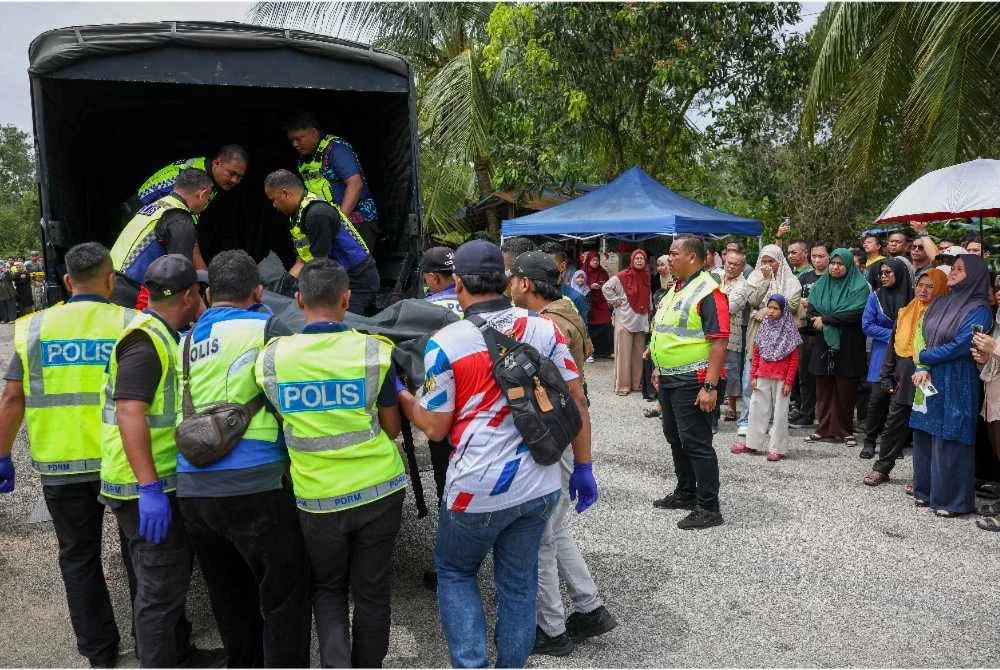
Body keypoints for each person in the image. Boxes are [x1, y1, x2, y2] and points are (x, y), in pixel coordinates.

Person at [397, 240, 597, 668]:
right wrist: (583, 466)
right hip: (539, 484)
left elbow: (434, 426)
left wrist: (402, 397)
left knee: (455, 572)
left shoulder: (445, 343)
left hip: (476, 488)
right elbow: (577, 401)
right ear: (505, 280)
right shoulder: (544, 329)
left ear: (457, 284)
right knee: (519, 583)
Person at [255, 258, 406, 667]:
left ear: (298, 300)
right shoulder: (375, 352)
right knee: (373, 593)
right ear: (346, 298)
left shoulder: (271, 360)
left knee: (328, 589)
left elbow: (282, 417)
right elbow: (391, 428)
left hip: (317, 499)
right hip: (380, 490)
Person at [173, 250, 310, 667]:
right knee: (283, 595)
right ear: (259, 291)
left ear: (209, 293)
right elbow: (289, 397)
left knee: (228, 597)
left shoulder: (185, 339)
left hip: (194, 489)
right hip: (257, 485)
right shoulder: (270, 327)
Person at [0, 243, 134, 667]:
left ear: (67, 282)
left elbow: (11, 397)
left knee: (78, 558)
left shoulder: (34, 328)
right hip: (122, 460)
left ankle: (99, 652)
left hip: (61, 465)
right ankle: (157, 641)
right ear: (111, 279)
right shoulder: (132, 324)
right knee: (141, 553)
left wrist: (2, 455)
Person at [99, 254, 222, 667]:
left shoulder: (161, 332)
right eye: (198, 291)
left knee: (162, 581)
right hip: (142, 485)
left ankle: (178, 652)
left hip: (148, 478)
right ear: (190, 294)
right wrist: (149, 487)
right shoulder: (146, 341)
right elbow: (130, 409)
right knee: (159, 589)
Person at [507, 251, 615, 656]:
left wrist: (584, 463)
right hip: (568, 430)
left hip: (555, 434)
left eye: (512, 278)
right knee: (555, 528)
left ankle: (551, 629)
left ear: (526, 284)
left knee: (540, 537)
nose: (508, 285)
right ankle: (589, 608)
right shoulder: (566, 309)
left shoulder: (545, 325)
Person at [649, 235, 729, 529]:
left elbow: (719, 342)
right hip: (670, 378)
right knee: (675, 437)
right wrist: (658, 366)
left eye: (673, 254)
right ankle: (686, 492)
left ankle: (709, 508)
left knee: (696, 443)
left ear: (692, 257)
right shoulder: (677, 289)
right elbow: (667, 333)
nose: (669, 259)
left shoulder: (709, 291)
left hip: (693, 380)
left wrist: (710, 386)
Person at [910, 254, 993, 516]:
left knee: (952, 434)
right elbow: (922, 333)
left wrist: (926, 357)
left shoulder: (980, 309)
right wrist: (922, 366)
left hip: (957, 378)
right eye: (953, 268)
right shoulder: (941, 300)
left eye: (960, 269)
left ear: (976, 275)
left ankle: (952, 501)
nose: (953, 272)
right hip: (929, 377)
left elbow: (963, 344)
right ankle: (926, 491)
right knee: (925, 432)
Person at [863, 269, 949, 486]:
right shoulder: (905, 312)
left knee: (926, 426)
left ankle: (922, 477)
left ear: (940, 289)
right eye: (921, 285)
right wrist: (886, 375)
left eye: (930, 286)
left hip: (930, 376)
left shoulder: (943, 317)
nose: (923, 290)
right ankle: (882, 468)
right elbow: (892, 347)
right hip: (904, 376)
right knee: (894, 423)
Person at [263, 169, 380, 315]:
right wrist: (282, 289)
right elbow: (303, 260)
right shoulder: (300, 213)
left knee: (341, 323)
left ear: (285, 193)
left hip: (358, 282)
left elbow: (319, 267)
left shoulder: (317, 214)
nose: (274, 205)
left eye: (273, 199)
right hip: (341, 277)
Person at [110, 168, 215, 310]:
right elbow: (180, 276)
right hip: (133, 294)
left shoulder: (156, 207)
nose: (206, 204)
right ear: (202, 194)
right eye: (208, 199)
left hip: (108, 284)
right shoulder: (180, 219)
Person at [129, 146, 248, 269]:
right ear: (217, 163)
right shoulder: (199, 179)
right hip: (138, 209)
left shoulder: (211, 177)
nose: (235, 180)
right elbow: (188, 234)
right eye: (232, 173)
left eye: (240, 177)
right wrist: (203, 275)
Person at [803, 248, 870, 446]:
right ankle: (823, 428)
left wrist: (826, 319)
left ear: (849, 265)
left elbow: (856, 314)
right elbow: (811, 311)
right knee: (823, 387)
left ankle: (845, 430)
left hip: (849, 343)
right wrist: (822, 319)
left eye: (840, 264)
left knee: (845, 388)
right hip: (823, 342)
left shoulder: (859, 287)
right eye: (833, 263)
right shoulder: (821, 284)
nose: (835, 267)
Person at [285, 112, 379, 251]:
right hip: (328, 225)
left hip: (356, 223)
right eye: (292, 140)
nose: (295, 144)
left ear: (314, 132)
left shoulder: (336, 149)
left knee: (354, 270)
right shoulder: (303, 161)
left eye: (299, 138)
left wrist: (339, 223)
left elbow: (355, 183)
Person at [737, 245, 802, 437]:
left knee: (778, 382)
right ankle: (747, 420)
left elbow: (792, 304)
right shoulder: (755, 278)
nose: (766, 265)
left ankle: (774, 423)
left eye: (770, 261)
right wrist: (766, 281)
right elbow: (754, 300)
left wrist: (770, 308)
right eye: (763, 261)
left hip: (783, 337)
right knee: (751, 377)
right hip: (758, 334)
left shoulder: (791, 281)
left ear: (779, 262)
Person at [733, 294, 801, 461]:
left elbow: (794, 358)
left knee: (780, 413)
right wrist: (754, 374)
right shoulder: (764, 326)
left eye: (776, 308)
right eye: (769, 307)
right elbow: (757, 352)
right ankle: (752, 443)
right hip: (763, 374)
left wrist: (789, 381)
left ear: (783, 310)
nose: (771, 311)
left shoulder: (790, 329)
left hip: (782, 378)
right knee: (757, 409)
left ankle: (777, 448)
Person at [859, 257, 913, 459]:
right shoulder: (876, 297)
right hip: (882, 353)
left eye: (888, 272)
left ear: (899, 274)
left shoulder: (912, 298)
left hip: (905, 355)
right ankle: (869, 441)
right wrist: (894, 335)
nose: (883, 276)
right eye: (881, 273)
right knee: (877, 399)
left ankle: (893, 445)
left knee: (898, 402)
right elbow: (867, 325)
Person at [789, 242, 830, 428]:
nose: (817, 260)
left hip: (824, 332)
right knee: (804, 376)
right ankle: (806, 413)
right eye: (814, 256)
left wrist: (811, 302)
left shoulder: (833, 277)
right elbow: (794, 300)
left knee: (823, 376)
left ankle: (824, 416)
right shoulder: (804, 276)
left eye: (821, 256)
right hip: (803, 331)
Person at [602, 249, 651, 396]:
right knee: (623, 355)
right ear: (632, 260)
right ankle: (623, 386)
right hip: (624, 318)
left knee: (638, 355)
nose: (639, 261)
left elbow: (647, 296)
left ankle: (636, 384)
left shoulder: (647, 276)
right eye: (637, 258)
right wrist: (616, 301)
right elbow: (606, 287)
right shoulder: (622, 276)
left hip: (641, 319)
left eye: (642, 258)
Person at [720, 251, 748, 422]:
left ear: (742, 267)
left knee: (731, 370)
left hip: (732, 333)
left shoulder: (743, 285)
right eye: (729, 262)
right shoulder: (716, 275)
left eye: (735, 264)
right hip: (711, 332)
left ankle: (732, 406)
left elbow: (728, 308)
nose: (730, 266)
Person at [584, 251, 613, 358]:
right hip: (589, 301)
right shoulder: (584, 272)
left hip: (601, 301)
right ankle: (591, 351)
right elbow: (579, 285)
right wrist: (590, 286)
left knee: (606, 320)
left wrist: (602, 286)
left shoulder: (603, 272)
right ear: (589, 261)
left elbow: (609, 285)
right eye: (593, 260)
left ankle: (605, 351)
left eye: (597, 260)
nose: (595, 262)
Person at [422, 246, 462, 317]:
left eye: (425, 279)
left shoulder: (424, 307)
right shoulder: (474, 299)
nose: (426, 282)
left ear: (435, 278)